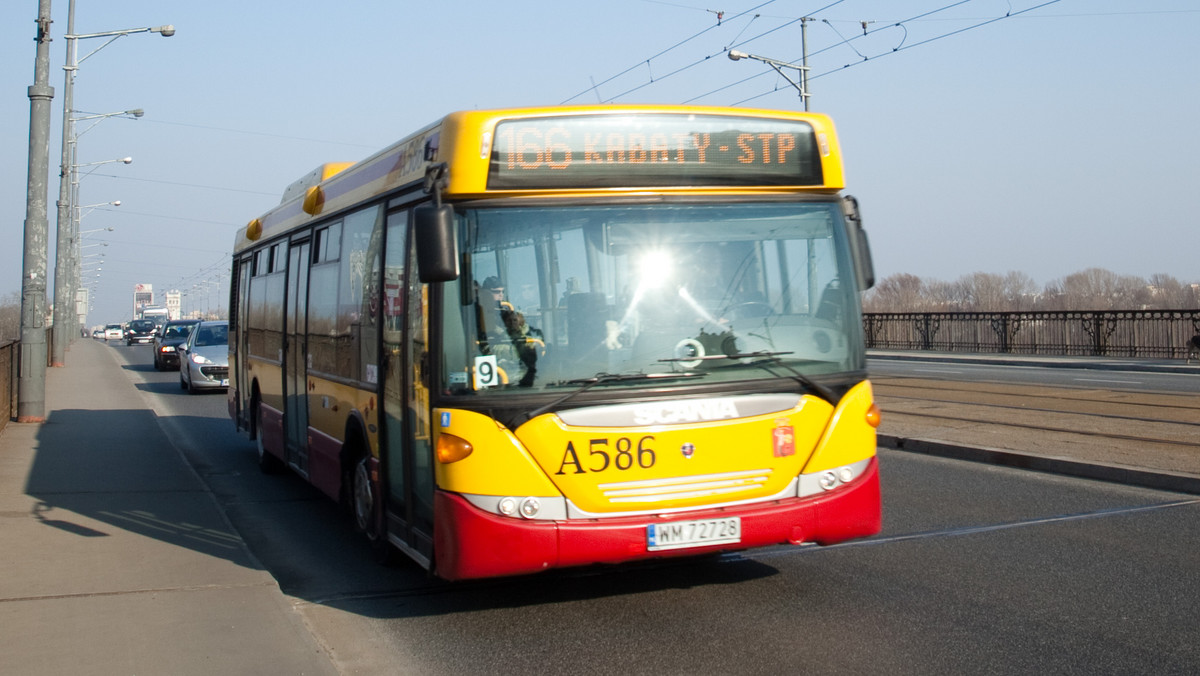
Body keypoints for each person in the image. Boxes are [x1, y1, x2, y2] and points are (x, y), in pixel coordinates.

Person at [476, 276, 541, 387]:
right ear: (486, 294)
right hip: (490, 350)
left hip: (509, 348)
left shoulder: (506, 310)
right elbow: (485, 344)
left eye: (502, 292)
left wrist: (518, 326)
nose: (500, 295)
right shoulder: (479, 312)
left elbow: (523, 331)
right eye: (496, 292)